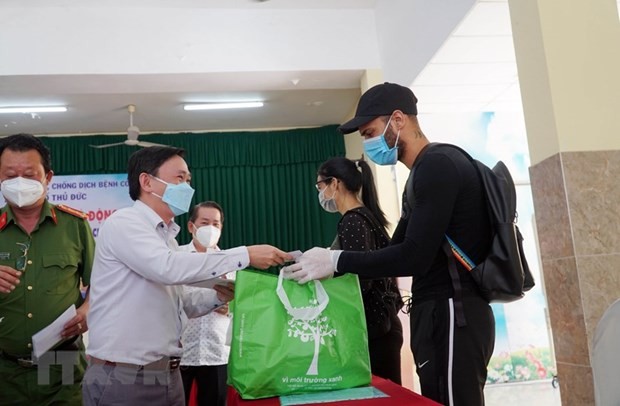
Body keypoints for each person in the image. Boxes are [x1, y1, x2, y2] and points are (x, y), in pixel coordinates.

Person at [284, 83, 495, 406]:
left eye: (370, 132)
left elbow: (413, 256)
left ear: (398, 120)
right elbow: (393, 251)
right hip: (438, 312)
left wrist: (337, 260)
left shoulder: (437, 166)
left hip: (454, 310)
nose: (367, 143)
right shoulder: (421, 173)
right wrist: (321, 260)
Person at [83, 146, 291, 406]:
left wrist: (218, 296)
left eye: (188, 180)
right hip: (124, 376)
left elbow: (181, 305)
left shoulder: (166, 239)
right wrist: (246, 254)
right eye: (179, 178)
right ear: (146, 181)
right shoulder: (124, 223)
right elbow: (167, 268)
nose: (187, 187)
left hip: (167, 374)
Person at [0, 133, 95, 406]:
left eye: (29, 174)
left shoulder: (74, 225)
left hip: (62, 362)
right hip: (5, 368)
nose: (19, 182)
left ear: (48, 177)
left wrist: (88, 310)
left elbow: (101, 283)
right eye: (10, 175)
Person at [315, 157, 403, 384]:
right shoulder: (364, 217)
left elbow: (361, 279)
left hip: (375, 330)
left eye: (320, 186)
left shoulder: (353, 220)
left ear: (335, 183)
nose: (320, 193)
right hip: (382, 326)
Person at [179, 201, 232, 406]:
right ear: (191, 226)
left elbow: (241, 303)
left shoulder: (229, 261)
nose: (211, 228)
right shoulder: (175, 258)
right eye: (205, 222)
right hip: (181, 350)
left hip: (215, 351)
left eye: (216, 224)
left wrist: (230, 308)